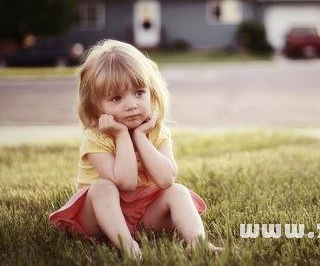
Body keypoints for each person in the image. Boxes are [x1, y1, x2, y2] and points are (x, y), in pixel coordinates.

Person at [49, 39, 220, 258]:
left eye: (139, 93)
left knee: (178, 191)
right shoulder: (96, 138)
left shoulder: (156, 132)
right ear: (95, 105)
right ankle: (128, 246)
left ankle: (199, 244)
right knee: (103, 188)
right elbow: (126, 182)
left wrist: (140, 136)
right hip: (102, 218)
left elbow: (166, 179)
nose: (131, 104)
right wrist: (121, 135)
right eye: (116, 98)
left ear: (152, 92)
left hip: (142, 215)